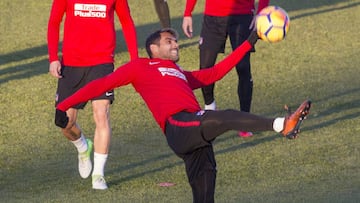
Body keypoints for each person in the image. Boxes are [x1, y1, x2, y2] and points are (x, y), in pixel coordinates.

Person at [54, 28, 311, 202]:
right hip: (179, 125)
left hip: (194, 136)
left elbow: (216, 73)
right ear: (153, 47)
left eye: (175, 41)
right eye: (169, 41)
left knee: (205, 193)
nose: (175, 44)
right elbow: (100, 85)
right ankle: (282, 125)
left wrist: (250, 41)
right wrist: (65, 104)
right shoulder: (140, 67)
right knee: (223, 117)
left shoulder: (180, 73)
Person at [47, 0, 138, 190]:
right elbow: (54, 22)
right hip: (71, 65)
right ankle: (82, 146)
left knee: (101, 114)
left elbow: (127, 22)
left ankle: (98, 174)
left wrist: (135, 59)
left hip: (102, 62)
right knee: (64, 122)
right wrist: (54, 58)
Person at [182, 0, 270, 137]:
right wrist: (188, 13)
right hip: (213, 17)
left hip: (243, 15)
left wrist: (261, 12)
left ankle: (245, 122)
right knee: (205, 68)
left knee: (243, 67)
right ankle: (210, 108)